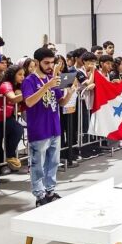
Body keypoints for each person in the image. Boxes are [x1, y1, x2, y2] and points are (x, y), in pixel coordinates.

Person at [22, 47, 79, 207]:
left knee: (53, 163)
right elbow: (29, 102)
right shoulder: (29, 81)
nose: (50, 66)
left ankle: (50, 191)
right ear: (36, 62)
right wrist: (47, 86)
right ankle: (39, 195)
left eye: (52, 63)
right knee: (37, 165)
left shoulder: (51, 79)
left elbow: (61, 102)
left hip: (54, 127)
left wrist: (70, 93)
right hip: (39, 129)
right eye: (46, 63)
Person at [0, 66, 25, 171]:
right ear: (12, 75)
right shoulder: (6, 84)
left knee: (17, 129)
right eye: (19, 74)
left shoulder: (16, 86)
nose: (23, 77)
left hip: (7, 117)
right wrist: (30, 92)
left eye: (23, 74)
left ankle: (9, 157)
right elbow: (13, 98)